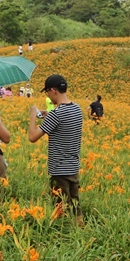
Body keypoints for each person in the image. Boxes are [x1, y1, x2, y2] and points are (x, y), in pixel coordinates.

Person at [28, 74, 84, 225]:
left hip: (59, 170)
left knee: (59, 210)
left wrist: (33, 117)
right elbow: (63, 125)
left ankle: (63, 237)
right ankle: (80, 231)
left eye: (47, 92)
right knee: (75, 207)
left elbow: (32, 137)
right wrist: (48, 116)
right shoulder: (77, 109)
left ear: (53, 90)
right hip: (73, 168)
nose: (48, 96)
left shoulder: (56, 114)